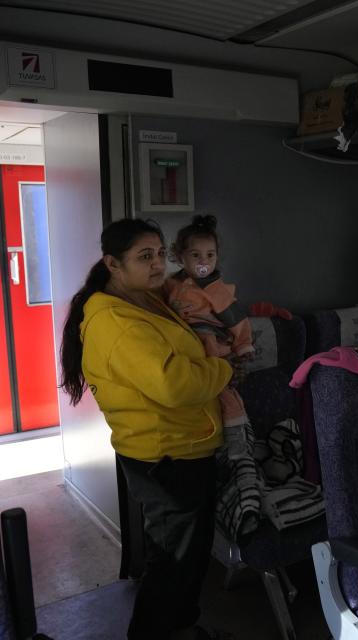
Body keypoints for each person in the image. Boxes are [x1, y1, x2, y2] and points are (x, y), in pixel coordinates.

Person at [60, 218, 233, 640]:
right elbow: (175, 384)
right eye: (144, 256)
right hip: (166, 456)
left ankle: (183, 629)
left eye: (159, 253)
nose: (157, 264)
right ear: (113, 264)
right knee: (172, 564)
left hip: (184, 446)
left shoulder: (144, 298)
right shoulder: (115, 321)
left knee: (187, 558)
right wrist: (222, 367)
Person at [163, 215, 252, 459]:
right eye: (196, 255)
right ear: (181, 257)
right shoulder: (171, 283)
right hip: (184, 338)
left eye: (210, 255)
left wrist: (244, 345)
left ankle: (237, 435)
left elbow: (236, 318)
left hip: (211, 339)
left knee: (220, 388)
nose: (204, 261)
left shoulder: (215, 288)